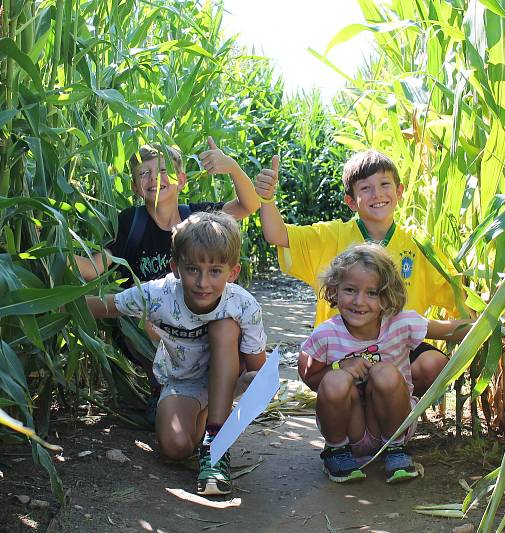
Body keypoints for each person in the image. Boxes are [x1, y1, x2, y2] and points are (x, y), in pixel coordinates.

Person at [75, 140, 260, 423]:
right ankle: (159, 388)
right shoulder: (130, 224)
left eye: (163, 170)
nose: (154, 179)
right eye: (144, 173)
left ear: (182, 180)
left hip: (200, 323)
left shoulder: (198, 221)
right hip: (150, 326)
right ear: (135, 187)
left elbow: (249, 204)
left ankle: (215, 389)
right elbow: (92, 268)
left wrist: (231, 167)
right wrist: (41, 250)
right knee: (144, 324)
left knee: (223, 326)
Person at [85, 211, 267, 496]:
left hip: (229, 378)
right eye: (193, 269)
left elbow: (259, 370)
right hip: (182, 381)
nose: (203, 282)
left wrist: (243, 393)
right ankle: (205, 414)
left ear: (233, 273)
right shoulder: (159, 295)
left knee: (224, 328)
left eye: (215, 271)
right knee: (175, 447)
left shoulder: (242, 305)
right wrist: (22, 296)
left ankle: (215, 446)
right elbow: (102, 306)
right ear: (175, 267)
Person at [254, 150, 460, 396]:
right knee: (310, 364)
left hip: (397, 350)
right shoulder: (331, 236)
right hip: (343, 349)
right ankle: (352, 407)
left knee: (433, 365)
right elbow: (277, 235)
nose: (378, 194)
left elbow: (458, 300)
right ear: (350, 201)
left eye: (385, 184)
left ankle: (389, 407)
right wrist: (266, 199)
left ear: (400, 191)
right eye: (366, 188)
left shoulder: (419, 247)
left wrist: (487, 321)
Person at [301, 244, 470, 484]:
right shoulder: (326, 335)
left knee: (385, 373)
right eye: (350, 290)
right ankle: (337, 452)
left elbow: (450, 330)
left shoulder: (401, 324)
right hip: (349, 429)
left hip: (393, 427)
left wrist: (495, 322)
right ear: (334, 291)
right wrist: (340, 368)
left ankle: (395, 450)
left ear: (388, 296)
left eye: (372, 293)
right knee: (336, 380)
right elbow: (308, 376)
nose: (359, 301)